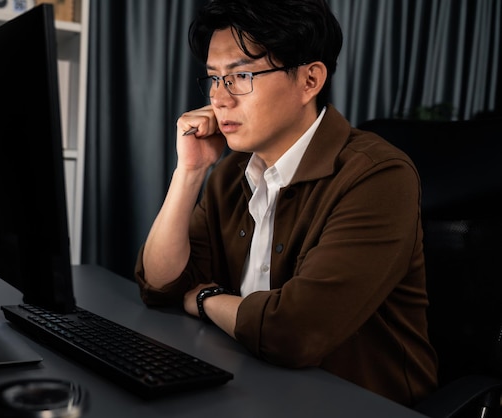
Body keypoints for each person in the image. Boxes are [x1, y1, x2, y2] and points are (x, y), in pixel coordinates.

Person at [134, 0, 438, 406]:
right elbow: (160, 284)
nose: (219, 98)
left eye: (240, 75)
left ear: (310, 80)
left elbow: (294, 332)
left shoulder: (378, 175)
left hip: (357, 402)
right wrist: (189, 173)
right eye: (213, 79)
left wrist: (206, 299)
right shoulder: (231, 172)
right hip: (252, 387)